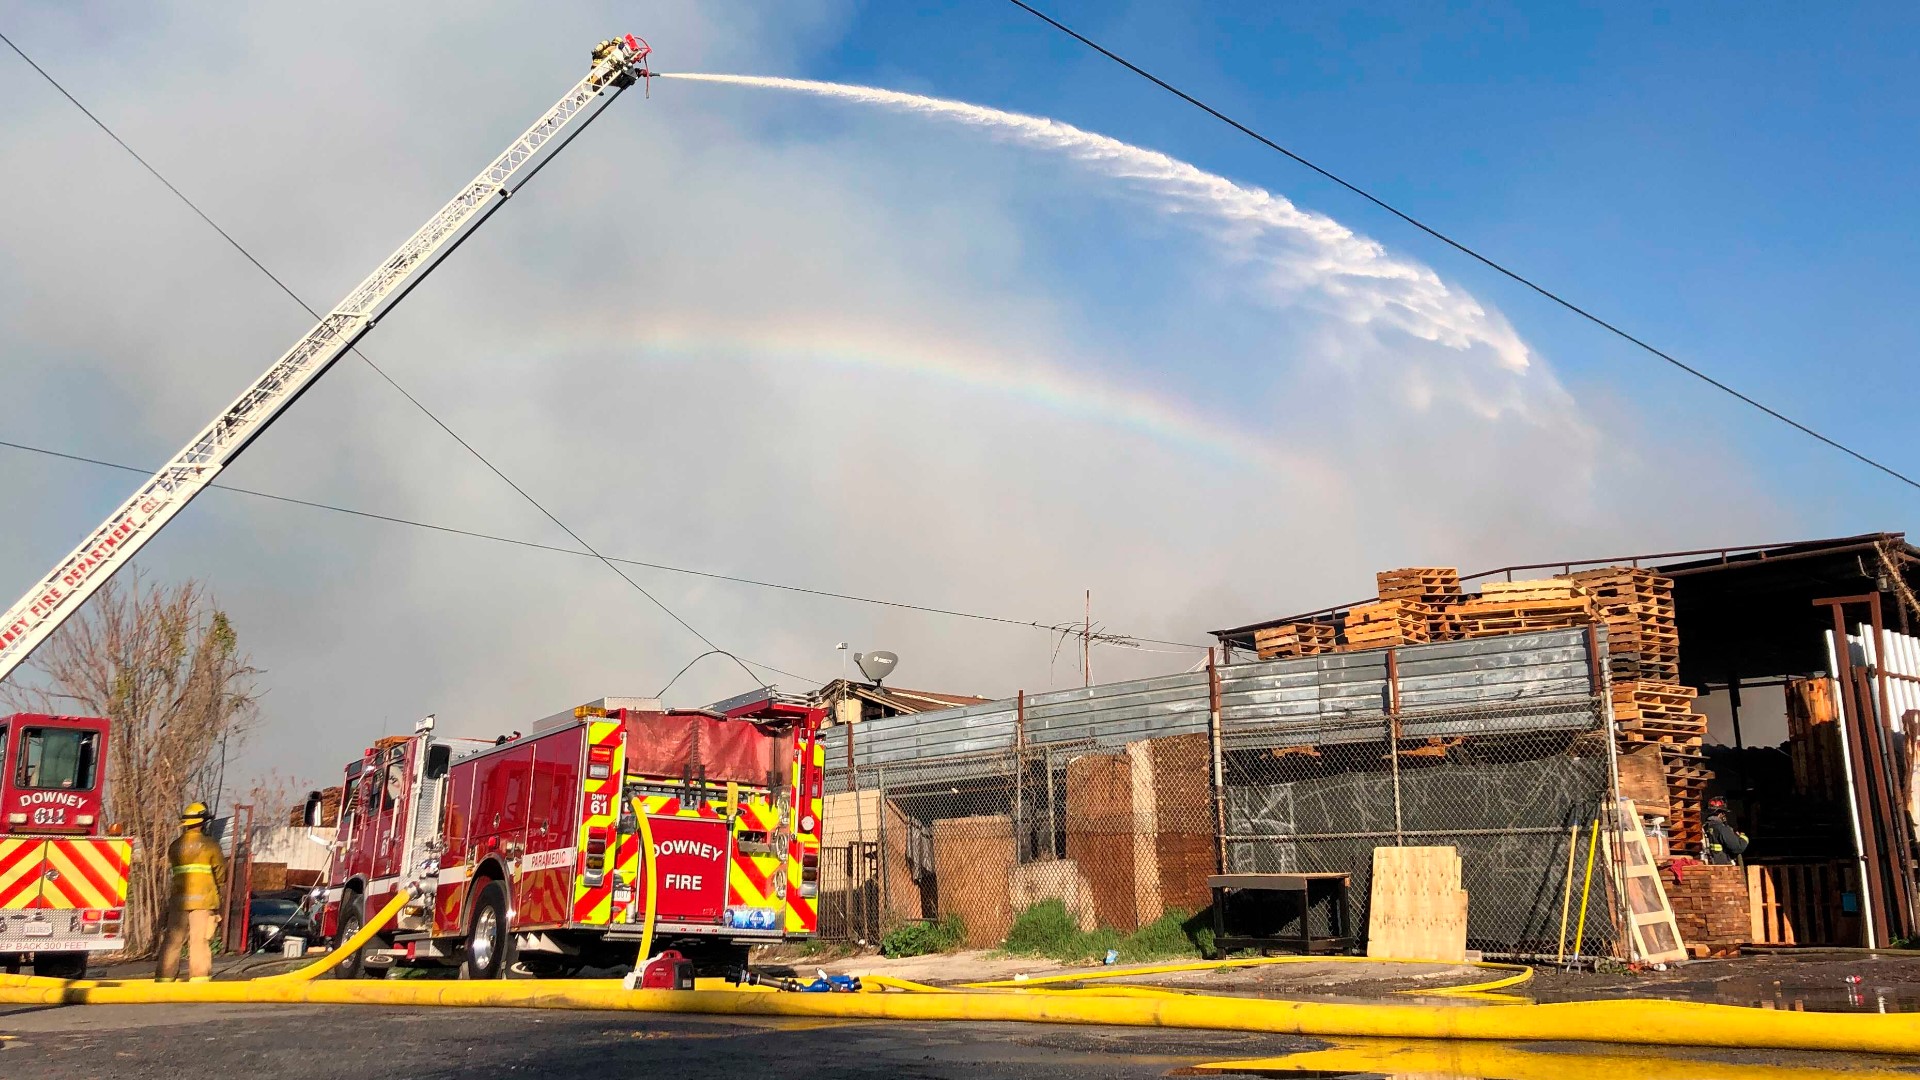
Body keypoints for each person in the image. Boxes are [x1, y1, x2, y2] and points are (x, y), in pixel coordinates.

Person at [155, 801, 224, 983]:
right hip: (203, 900)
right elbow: (220, 871)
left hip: (179, 900)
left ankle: (164, 977)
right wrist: (219, 888)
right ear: (203, 823)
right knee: (199, 940)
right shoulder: (210, 845)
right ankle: (199, 978)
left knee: (172, 940)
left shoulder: (175, 846)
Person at [1703, 795, 1750, 865]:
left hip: (1710, 865)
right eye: (1723, 813)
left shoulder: (1705, 827)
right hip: (1723, 866)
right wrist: (1742, 837)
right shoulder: (1722, 828)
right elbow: (1738, 847)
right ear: (1720, 814)